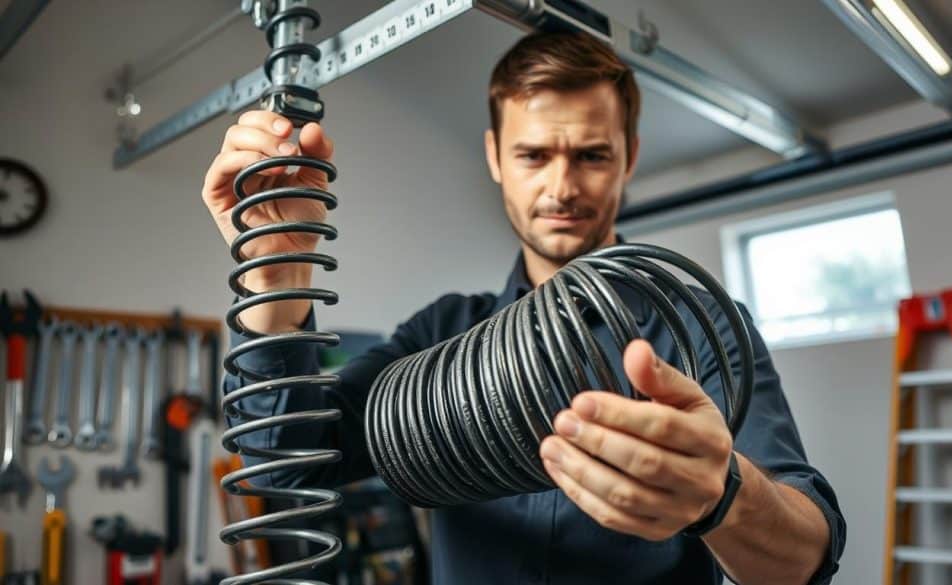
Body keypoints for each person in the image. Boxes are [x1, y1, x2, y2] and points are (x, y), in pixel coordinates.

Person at [202, 31, 845, 584]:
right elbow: (283, 454)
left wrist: (722, 495)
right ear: (495, 158)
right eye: (534, 155)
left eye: (592, 155)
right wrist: (275, 277)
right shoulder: (442, 336)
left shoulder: (701, 329)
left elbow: (802, 557)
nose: (562, 187)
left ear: (629, 159)